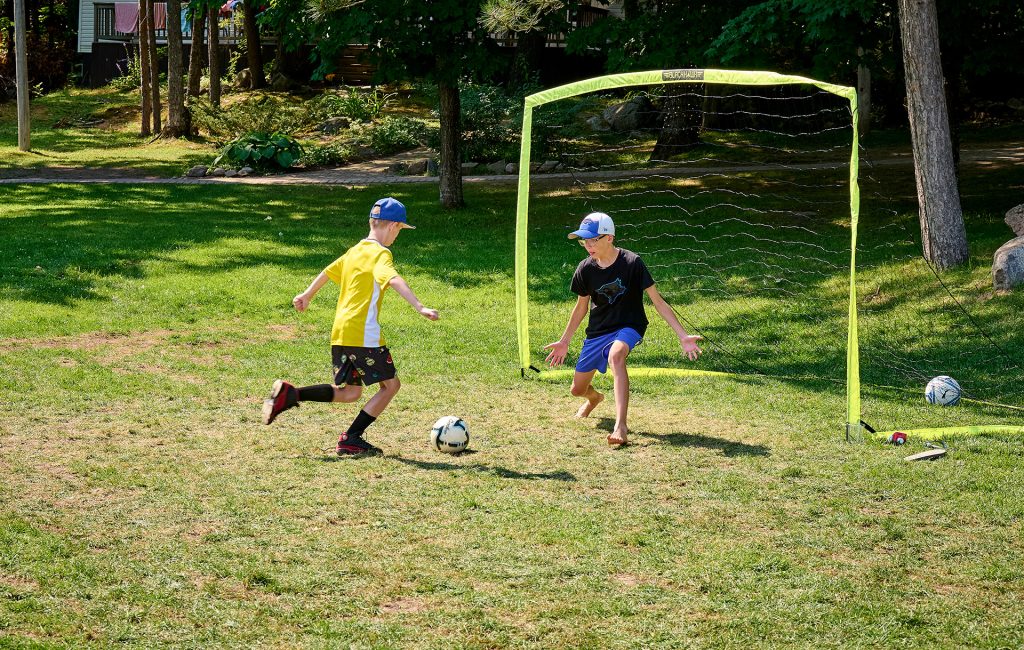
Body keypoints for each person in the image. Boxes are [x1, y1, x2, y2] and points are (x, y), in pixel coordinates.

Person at [262, 197, 439, 456]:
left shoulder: (355, 250)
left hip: (341, 332)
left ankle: (292, 394)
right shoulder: (381, 253)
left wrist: (307, 294)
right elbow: (393, 279)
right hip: (363, 335)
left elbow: (328, 271)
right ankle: (352, 437)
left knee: (350, 393)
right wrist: (419, 306)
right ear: (392, 226)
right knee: (391, 386)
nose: (397, 236)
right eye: (400, 230)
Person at [543, 212, 702, 446]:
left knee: (616, 356)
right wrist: (564, 341)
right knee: (577, 390)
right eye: (584, 241)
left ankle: (621, 426)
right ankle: (594, 398)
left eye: (593, 240)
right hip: (598, 331)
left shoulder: (632, 263)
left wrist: (683, 336)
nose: (588, 246)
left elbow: (658, 301)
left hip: (629, 326)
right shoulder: (585, 269)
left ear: (609, 237)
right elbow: (580, 308)